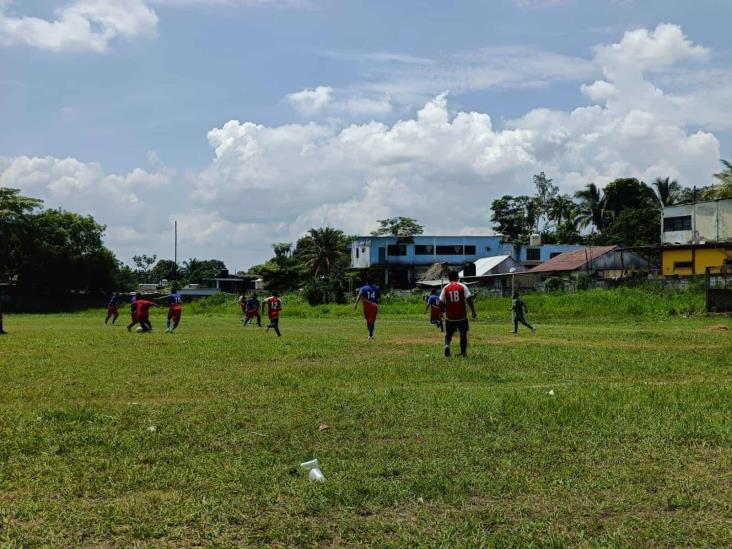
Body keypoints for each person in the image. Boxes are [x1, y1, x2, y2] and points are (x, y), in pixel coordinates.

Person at [439, 271, 477, 357]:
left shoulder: (445, 288)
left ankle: (446, 346)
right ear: (457, 277)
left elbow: (440, 301)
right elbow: (469, 298)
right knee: (463, 334)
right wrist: (473, 311)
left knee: (448, 335)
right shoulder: (463, 286)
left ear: (449, 278)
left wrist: (443, 311)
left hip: (450, 317)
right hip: (461, 316)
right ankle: (463, 353)